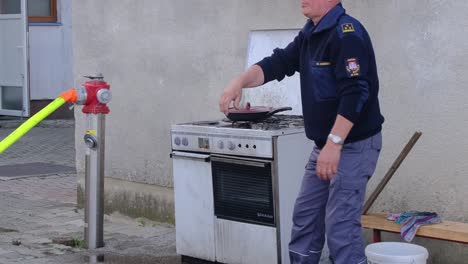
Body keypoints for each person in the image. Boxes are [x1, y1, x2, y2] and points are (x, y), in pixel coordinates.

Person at [219, 0, 384, 263]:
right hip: (326, 145)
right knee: (305, 219)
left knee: (340, 226)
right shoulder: (310, 33)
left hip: (353, 146)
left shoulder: (347, 34)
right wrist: (239, 81)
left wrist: (334, 143)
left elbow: (357, 92)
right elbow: (278, 63)